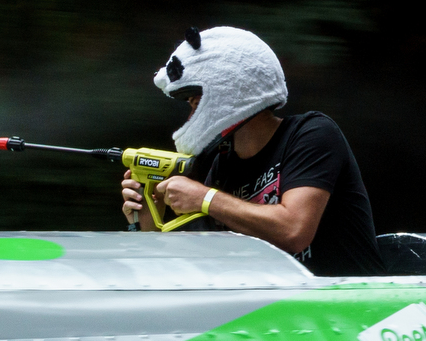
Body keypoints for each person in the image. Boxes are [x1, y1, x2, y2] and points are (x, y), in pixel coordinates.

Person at [119, 26, 381, 277]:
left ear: (230, 90)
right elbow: (204, 267)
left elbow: (294, 230)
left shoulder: (312, 134)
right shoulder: (220, 165)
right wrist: (150, 224)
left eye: (196, 102)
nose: (191, 115)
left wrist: (205, 199)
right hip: (279, 314)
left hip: (357, 312)